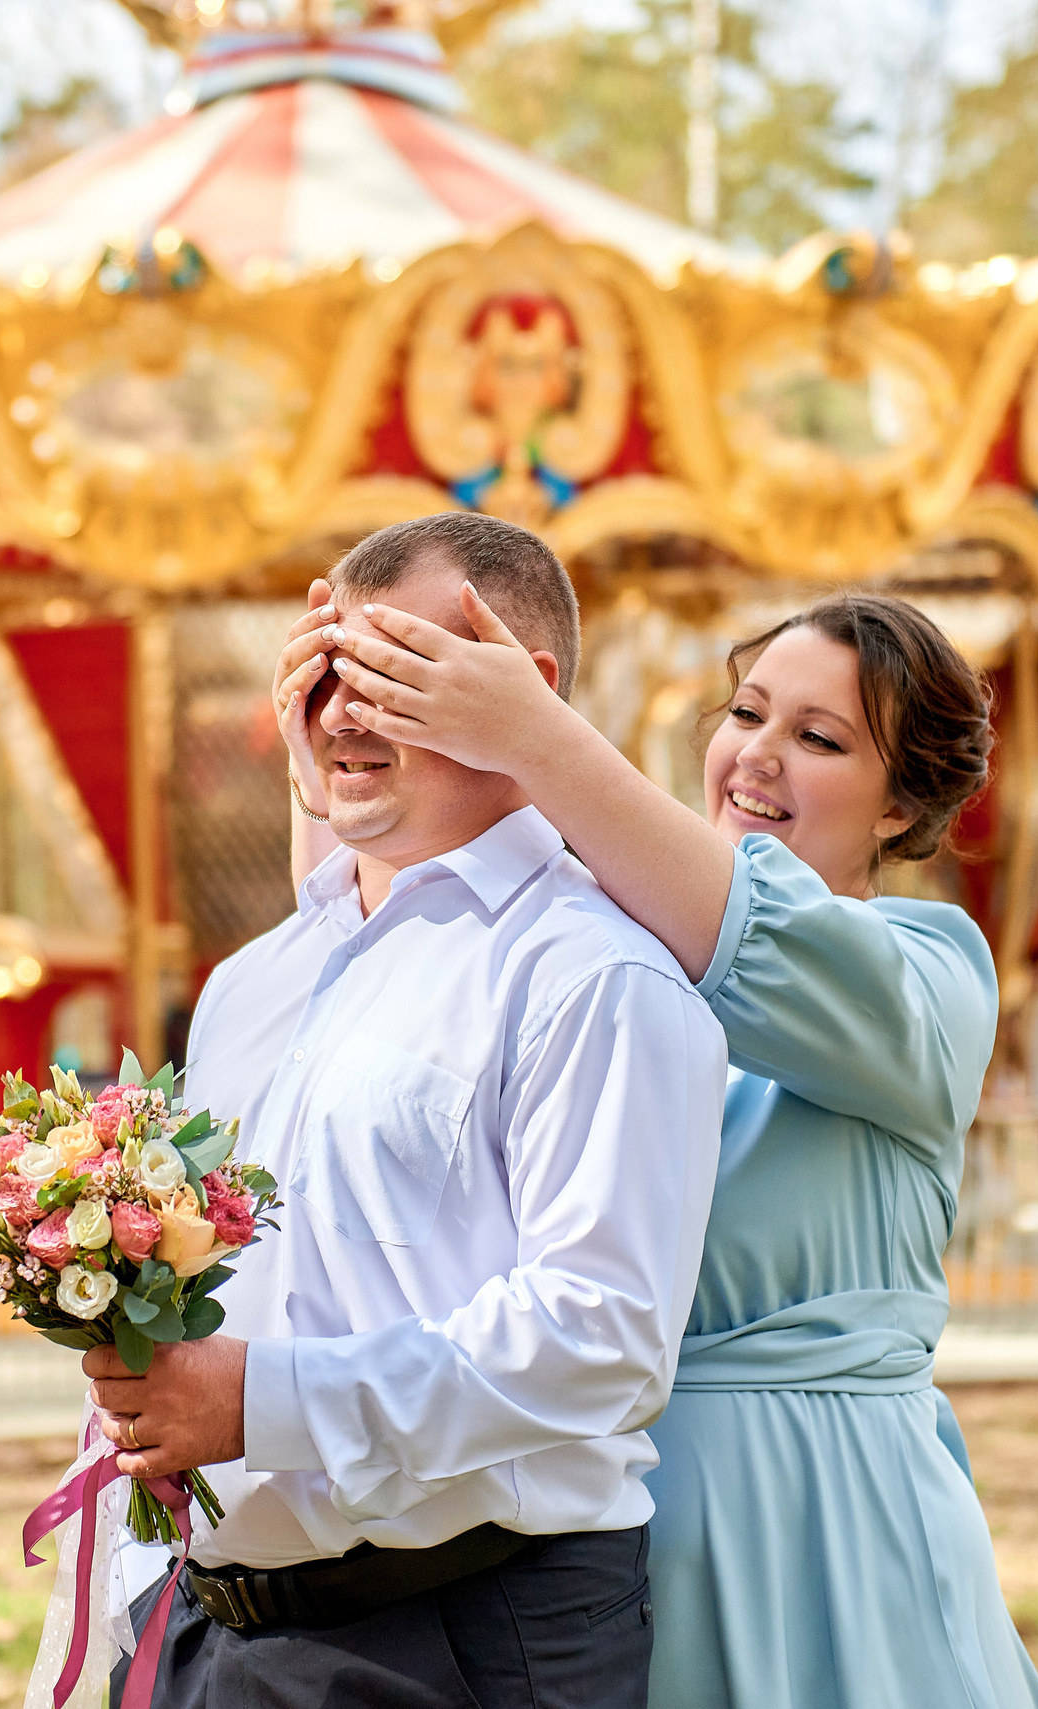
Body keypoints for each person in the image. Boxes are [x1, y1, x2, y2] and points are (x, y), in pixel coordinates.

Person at [286, 577, 1038, 1706]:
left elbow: (741, 927)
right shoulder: (601, 951)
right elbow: (372, 932)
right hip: (581, 1547)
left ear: (899, 806)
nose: (757, 755)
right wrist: (329, 756)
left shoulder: (923, 978)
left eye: (819, 737)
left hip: (814, 1528)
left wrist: (534, 734)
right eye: (745, 713)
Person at [88, 511, 726, 1709]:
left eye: (392, 670)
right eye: (323, 669)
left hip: (463, 1636)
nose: (337, 711)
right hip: (202, 1632)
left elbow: (601, 1337)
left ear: (524, 690)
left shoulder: (592, 973)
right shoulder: (253, 981)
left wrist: (257, 1400)